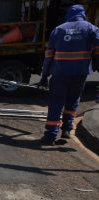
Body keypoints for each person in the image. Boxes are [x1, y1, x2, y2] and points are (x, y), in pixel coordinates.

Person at [37, 4, 99, 146]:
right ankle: (66, 129)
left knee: (56, 103)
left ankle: (50, 136)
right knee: (73, 101)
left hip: (60, 74)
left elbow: (48, 58)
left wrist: (44, 76)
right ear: (83, 14)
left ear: (69, 14)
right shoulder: (91, 29)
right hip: (80, 74)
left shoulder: (58, 30)